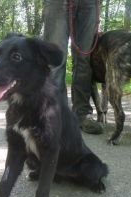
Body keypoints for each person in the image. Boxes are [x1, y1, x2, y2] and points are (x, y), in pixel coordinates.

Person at [43, 0, 103, 134]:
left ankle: (82, 114)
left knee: (84, 60)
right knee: (55, 59)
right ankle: (57, 114)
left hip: (90, 4)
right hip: (57, 4)